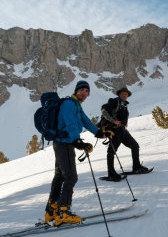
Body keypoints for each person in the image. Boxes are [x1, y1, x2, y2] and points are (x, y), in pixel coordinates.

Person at [44, 80, 114, 226]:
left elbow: (86, 122)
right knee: (71, 176)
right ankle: (63, 212)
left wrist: (99, 133)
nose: (84, 93)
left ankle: (52, 211)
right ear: (76, 91)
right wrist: (78, 142)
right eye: (81, 90)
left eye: (86, 91)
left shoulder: (76, 104)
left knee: (60, 175)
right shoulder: (69, 104)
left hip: (62, 143)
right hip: (65, 143)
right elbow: (69, 124)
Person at [99, 87, 150, 182]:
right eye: (123, 94)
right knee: (111, 152)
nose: (124, 95)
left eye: (126, 94)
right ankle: (111, 174)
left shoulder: (124, 104)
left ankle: (136, 167)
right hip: (115, 131)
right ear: (119, 94)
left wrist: (124, 122)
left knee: (135, 146)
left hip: (122, 130)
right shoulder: (115, 102)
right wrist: (114, 121)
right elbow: (103, 110)